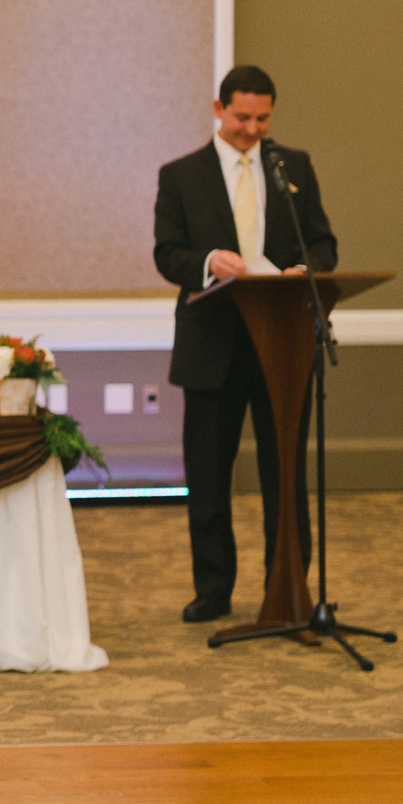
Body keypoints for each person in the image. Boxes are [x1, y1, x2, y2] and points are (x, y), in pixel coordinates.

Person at [152, 64, 336, 624]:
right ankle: (213, 588)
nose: (253, 129)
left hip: (281, 346)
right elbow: (167, 254)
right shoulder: (181, 175)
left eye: (263, 118)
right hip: (213, 346)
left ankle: (287, 587)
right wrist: (209, 261)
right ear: (218, 109)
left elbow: (323, 243)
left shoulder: (292, 167)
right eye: (242, 117)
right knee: (208, 476)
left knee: (286, 472)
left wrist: (308, 268)